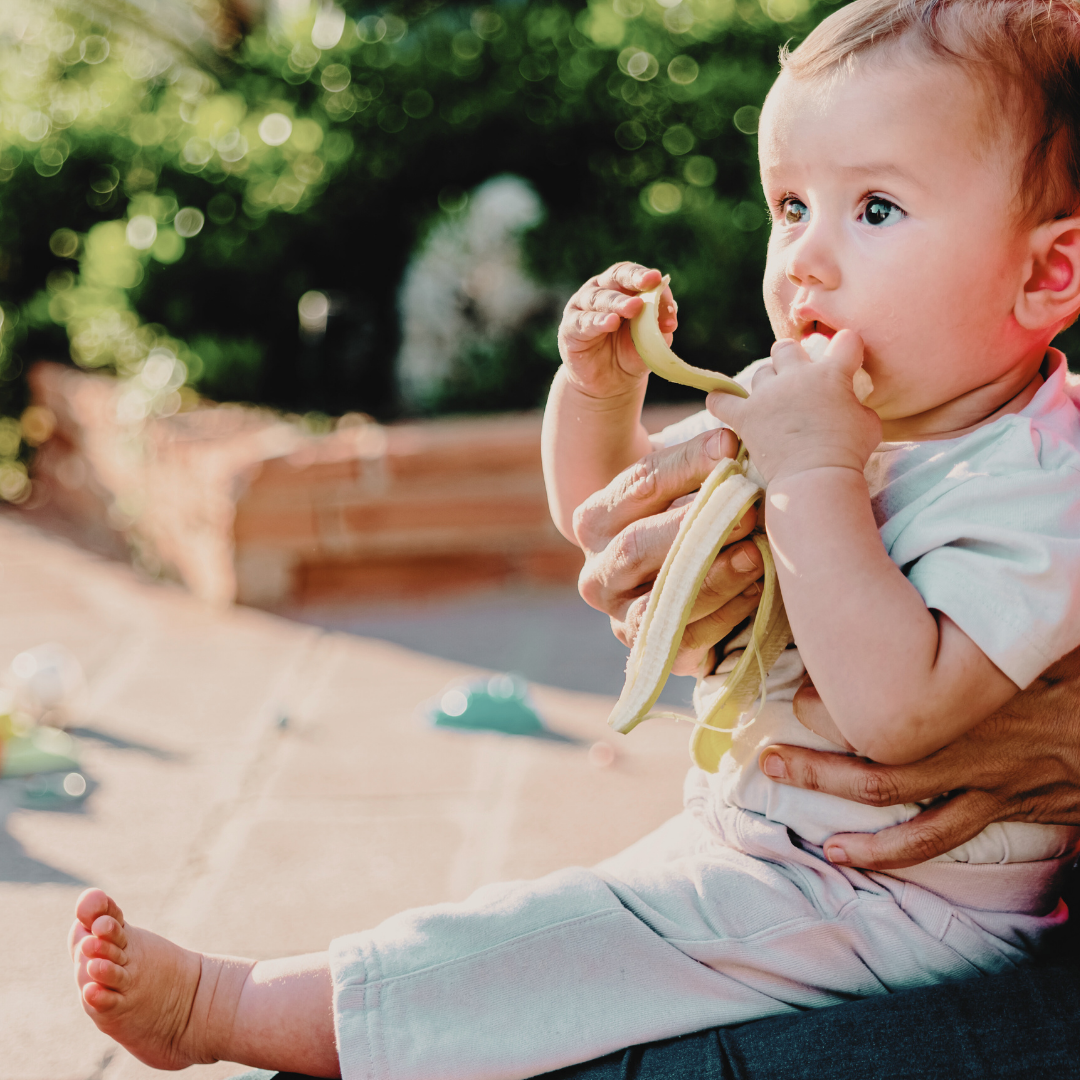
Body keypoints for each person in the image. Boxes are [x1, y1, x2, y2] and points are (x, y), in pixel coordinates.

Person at [67, 2, 1080, 1077]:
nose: (806, 261)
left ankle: (238, 1007)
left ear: (1047, 276)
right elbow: (603, 517)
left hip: (897, 907)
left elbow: (895, 711)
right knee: (551, 939)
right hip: (784, 856)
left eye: (875, 208)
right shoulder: (833, 411)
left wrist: (814, 474)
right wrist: (598, 394)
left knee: (548, 951)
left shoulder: (1036, 481)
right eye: (792, 205)